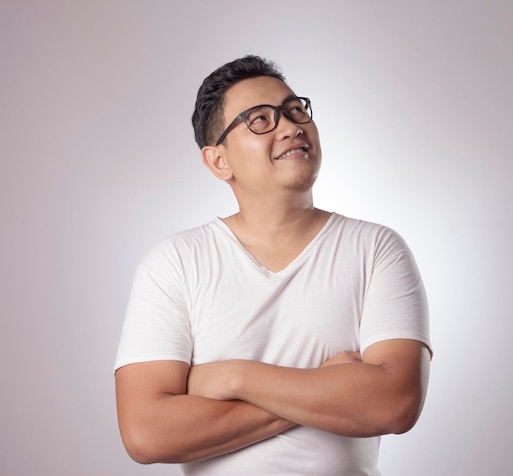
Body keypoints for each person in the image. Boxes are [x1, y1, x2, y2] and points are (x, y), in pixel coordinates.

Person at [114, 55, 432, 475]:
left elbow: (395, 404)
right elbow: (146, 434)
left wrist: (232, 378)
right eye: (260, 119)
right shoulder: (175, 263)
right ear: (218, 161)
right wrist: (327, 390)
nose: (291, 126)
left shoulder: (376, 249)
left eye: (295, 109)